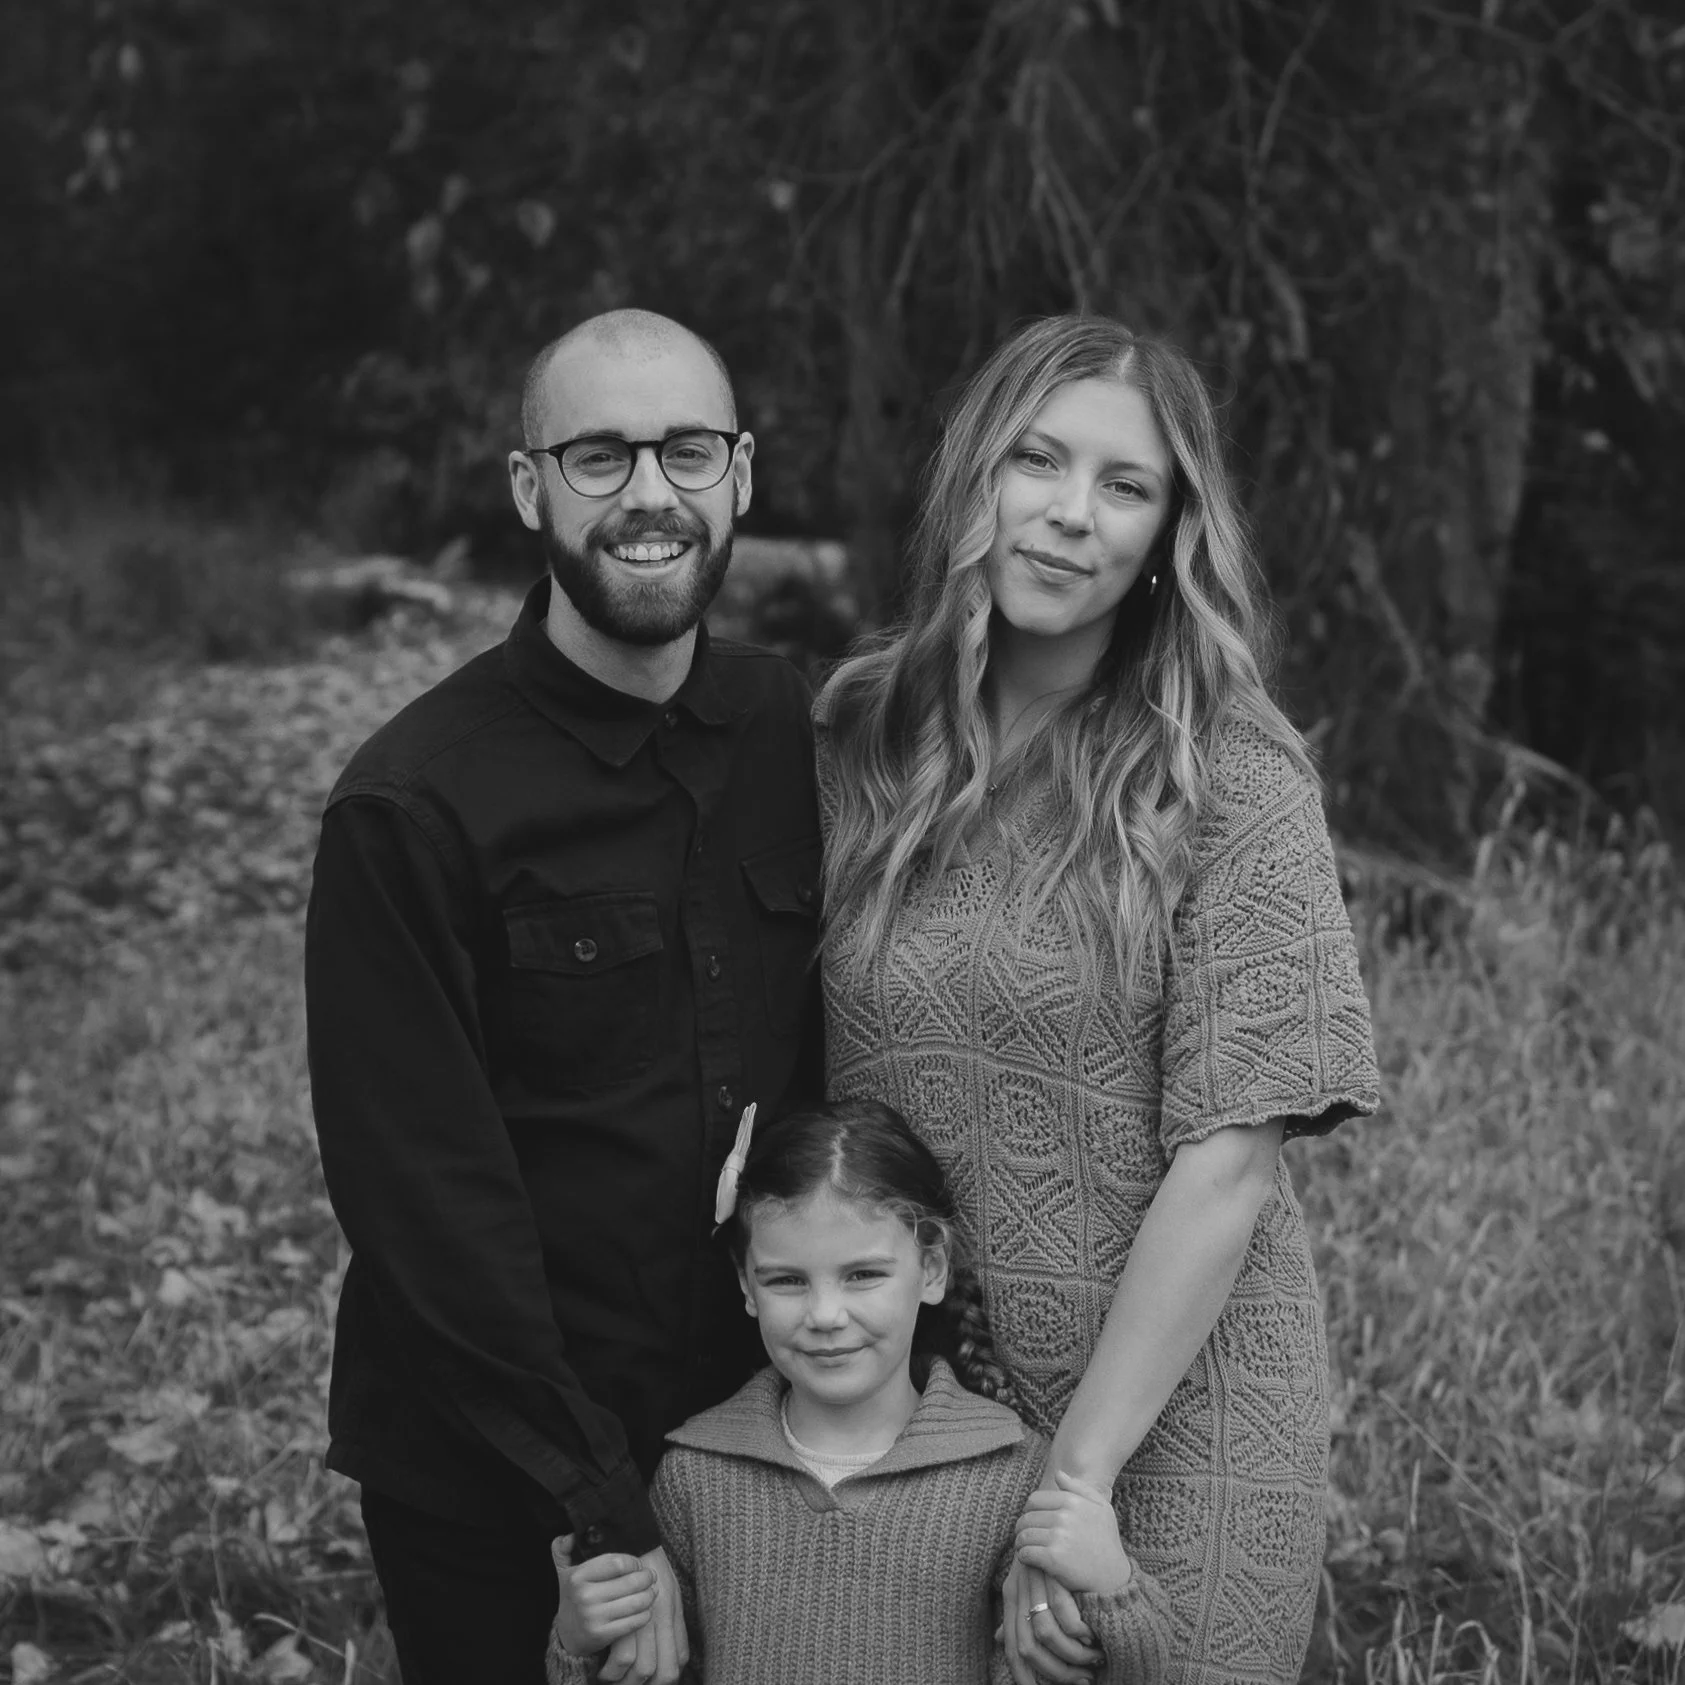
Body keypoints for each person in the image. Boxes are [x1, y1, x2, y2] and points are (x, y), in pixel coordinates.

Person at [816, 315, 1382, 1685]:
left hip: (1177, 1415)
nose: (1071, 516)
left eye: (1124, 486)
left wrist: (1077, 1485)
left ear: (1167, 532)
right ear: (973, 477)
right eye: (1038, 462)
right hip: (917, 1401)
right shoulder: (855, 741)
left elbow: (1232, 1156)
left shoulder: (1230, 775)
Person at [305, 309, 823, 1685]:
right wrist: (599, 1518)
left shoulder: (799, 734)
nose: (649, 495)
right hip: (494, 1479)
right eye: (599, 456)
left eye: (686, 452)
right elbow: (427, 1206)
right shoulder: (412, 803)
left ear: (742, 476)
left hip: (759, 1438)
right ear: (531, 487)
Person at [546, 1099, 1176, 1684]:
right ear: (746, 1285)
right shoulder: (696, 1475)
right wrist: (577, 1643)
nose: (825, 1314)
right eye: (787, 1280)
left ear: (930, 1269)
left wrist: (1112, 1588)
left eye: (863, 1275)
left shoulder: (1009, 1475)